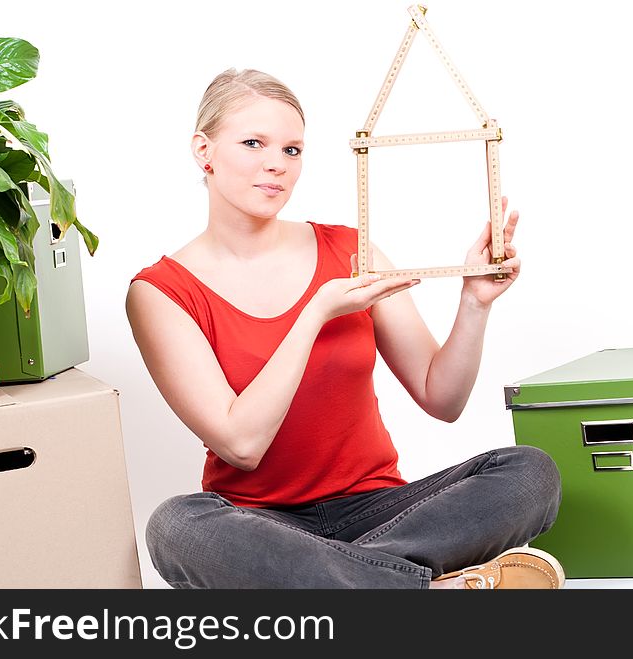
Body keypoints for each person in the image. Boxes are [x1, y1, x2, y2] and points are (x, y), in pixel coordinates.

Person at [126, 68, 563, 589]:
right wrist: (314, 313)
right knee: (176, 528)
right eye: (253, 143)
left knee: (529, 472)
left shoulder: (350, 250)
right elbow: (241, 445)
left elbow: (441, 399)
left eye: (292, 150)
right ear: (204, 151)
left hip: (384, 511)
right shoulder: (159, 291)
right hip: (262, 526)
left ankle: (351, 584)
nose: (276, 165)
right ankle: (425, 587)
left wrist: (474, 303)